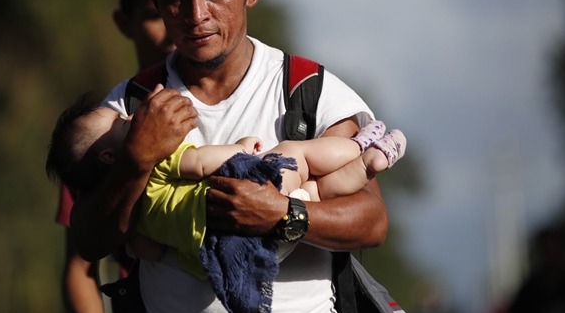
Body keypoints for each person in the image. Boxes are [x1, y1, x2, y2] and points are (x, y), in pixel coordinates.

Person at [70, 0, 392, 313]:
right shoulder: (129, 107)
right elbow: (88, 242)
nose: (195, 13)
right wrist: (136, 159)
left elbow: (372, 222)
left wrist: (282, 213)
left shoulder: (308, 91)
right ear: (155, 0)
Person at [48, 97, 405, 278]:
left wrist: (281, 213)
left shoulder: (309, 85)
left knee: (314, 194)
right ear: (110, 157)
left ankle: (360, 164)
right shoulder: (158, 157)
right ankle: (361, 152)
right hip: (252, 193)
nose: (130, 115)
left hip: (230, 260)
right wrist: (243, 149)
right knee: (301, 158)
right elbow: (202, 162)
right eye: (121, 120)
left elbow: (151, 252)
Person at [54, 0, 174, 313]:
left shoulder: (251, 95)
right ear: (125, 23)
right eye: (156, 15)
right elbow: (80, 265)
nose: (172, 28)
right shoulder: (101, 133)